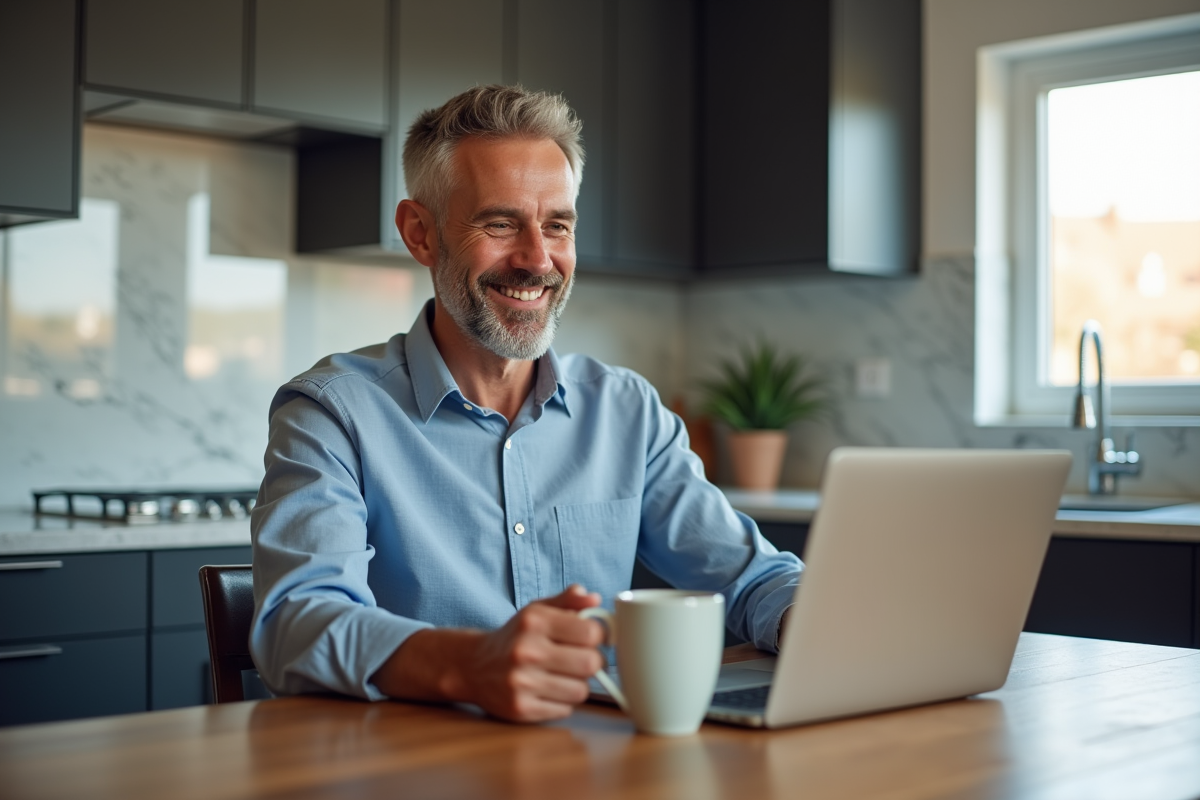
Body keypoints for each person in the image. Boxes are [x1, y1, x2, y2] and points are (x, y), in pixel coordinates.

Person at [250, 85, 803, 723]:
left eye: (558, 225)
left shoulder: (626, 412)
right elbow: (295, 624)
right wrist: (466, 663)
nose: (538, 259)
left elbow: (754, 578)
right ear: (421, 234)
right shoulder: (332, 414)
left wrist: (813, 620)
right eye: (501, 223)